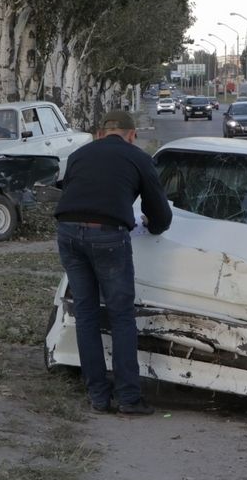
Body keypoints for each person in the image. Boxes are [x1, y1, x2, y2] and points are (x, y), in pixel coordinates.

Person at [54, 110, 172, 416]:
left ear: (101, 133)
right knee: (121, 317)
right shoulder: (138, 158)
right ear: (132, 134)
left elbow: (71, 190)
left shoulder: (80, 155)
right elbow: (160, 213)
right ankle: (129, 398)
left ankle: (98, 396)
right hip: (108, 237)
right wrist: (152, 225)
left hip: (67, 232)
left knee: (87, 314)